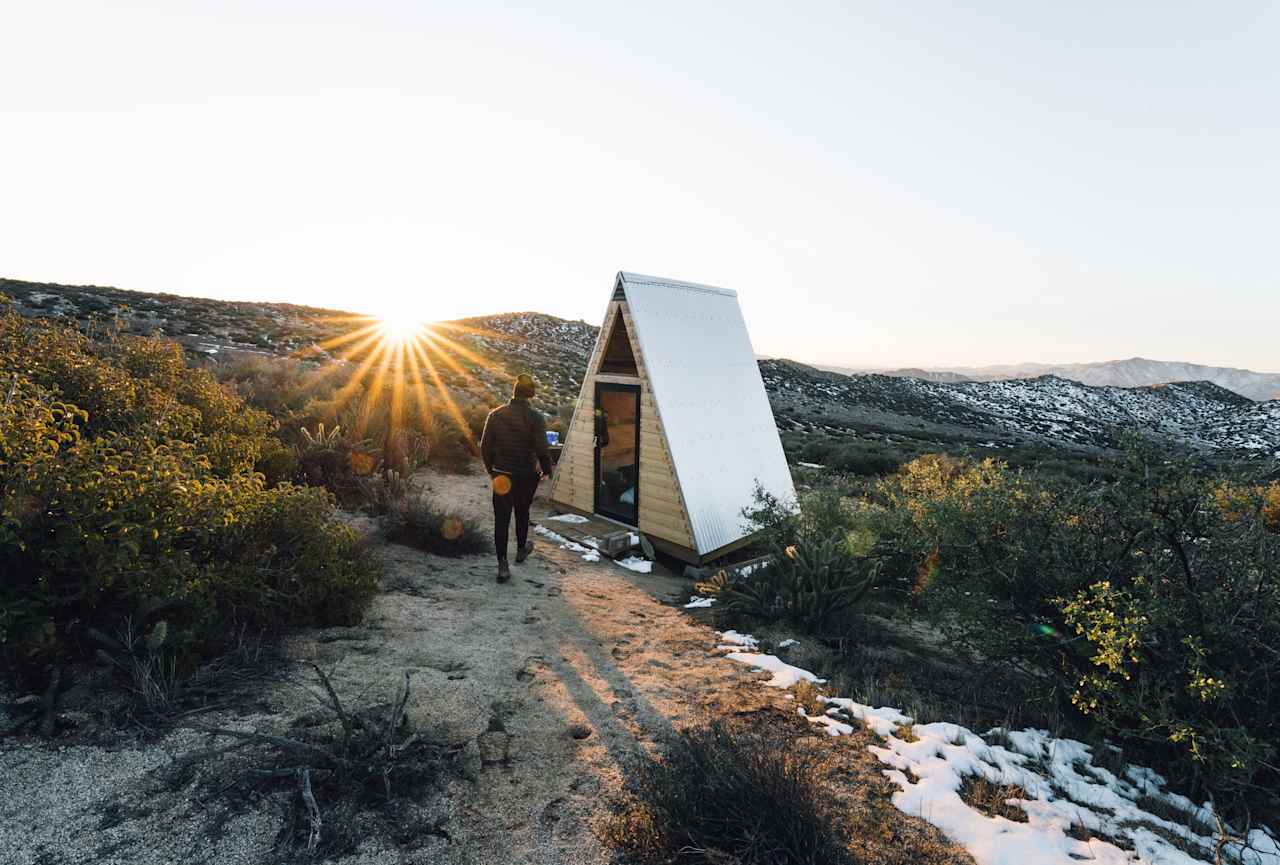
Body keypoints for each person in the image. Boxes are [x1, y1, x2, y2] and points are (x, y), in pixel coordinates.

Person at [479, 373, 553, 582]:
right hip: (526, 476)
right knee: (522, 512)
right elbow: (541, 447)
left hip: (502, 474)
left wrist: (491, 471)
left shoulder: (495, 414)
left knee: (501, 519)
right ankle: (521, 549)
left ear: (514, 392)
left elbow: (484, 446)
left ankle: (503, 564)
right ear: (531, 396)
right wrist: (546, 470)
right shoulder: (536, 418)